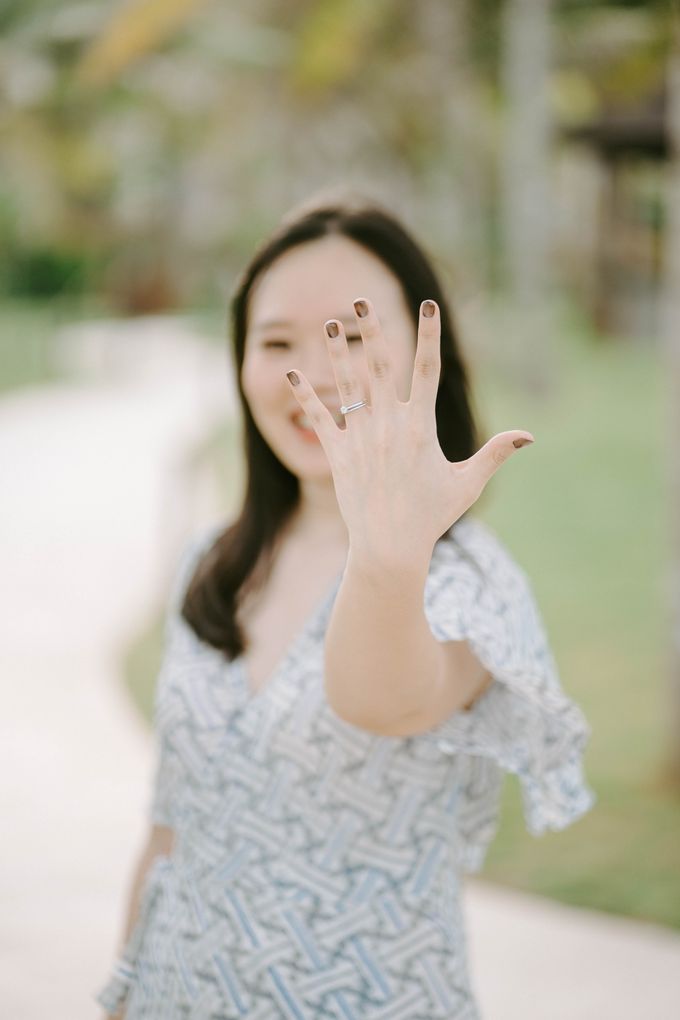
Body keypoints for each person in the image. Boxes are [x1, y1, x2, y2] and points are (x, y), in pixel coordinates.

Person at [95, 194, 595, 1019]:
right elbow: (169, 829)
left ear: (425, 359)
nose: (312, 378)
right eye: (276, 343)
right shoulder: (216, 562)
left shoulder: (468, 582)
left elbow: (382, 701)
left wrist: (387, 550)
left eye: (352, 336)